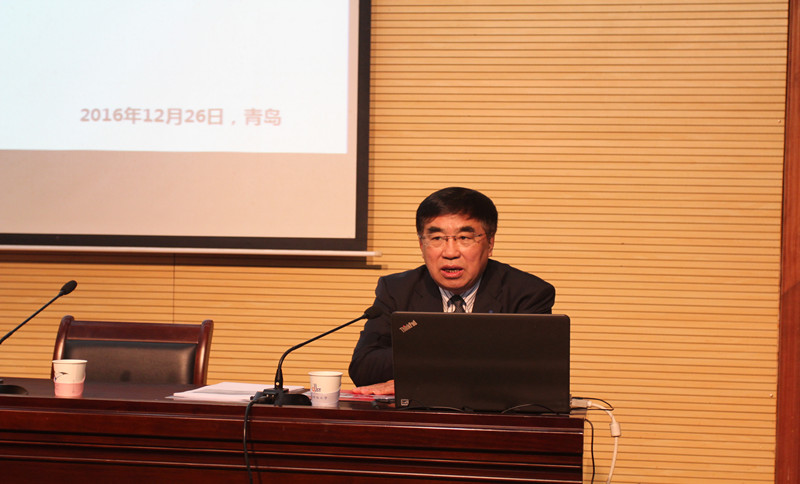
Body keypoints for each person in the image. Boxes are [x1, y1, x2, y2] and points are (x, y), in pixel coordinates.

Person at [348, 187, 555, 395]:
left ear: (490, 243)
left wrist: (421, 377)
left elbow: (532, 375)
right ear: (421, 244)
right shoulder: (397, 290)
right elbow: (363, 368)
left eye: (464, 238)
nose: (450, 252)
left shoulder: (527, 294)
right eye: (437, 238)